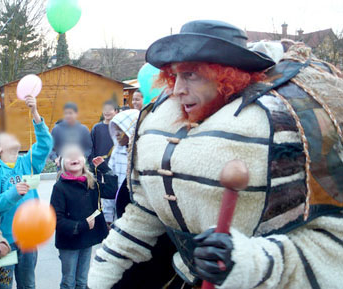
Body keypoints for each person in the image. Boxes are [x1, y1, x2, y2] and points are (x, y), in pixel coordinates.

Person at [88, 20, 343, 289]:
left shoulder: (281, 124)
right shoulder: (160, 123)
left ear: (226, 76)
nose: (177, 90)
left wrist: (247, 262)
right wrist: (104, 274)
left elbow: (330, 241)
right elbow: (145, 214)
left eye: (191, 75)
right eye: (176, 76)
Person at [0, 95, 53, 289]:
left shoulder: (27, 163)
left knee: (27, 284)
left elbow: (44, 144)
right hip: (5, 242)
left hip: (28, 240)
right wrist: (13, 193)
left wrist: (35, 113)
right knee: (3, 286)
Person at [50, 145, 117, 289]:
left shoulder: (90, 182)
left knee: (82, 280)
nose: (74, 158)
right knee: (69, 281)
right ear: (62, 162)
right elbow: (56, 219)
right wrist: (81, 225)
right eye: (69, 156)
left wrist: (104, 169)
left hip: (86, 240)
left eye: (78, 155)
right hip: (69, 242)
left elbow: (111, 191)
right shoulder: (60, 188)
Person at [106, 109, 139, 221]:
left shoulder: (143, 153)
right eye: (115, 129)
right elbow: (109, 184)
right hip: (120, 209)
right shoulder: (117, 152)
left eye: (121, 129)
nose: (116, 134)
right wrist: (108, 215)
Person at [49, 102, 92, 166]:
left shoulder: (83, 129)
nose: (68, 116)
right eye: (66, 113)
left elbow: (88, 148)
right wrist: (55, 158)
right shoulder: (56, 130)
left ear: (76, 114)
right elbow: (50, 148)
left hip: (79, 166)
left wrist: (82, 157)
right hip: (62, 166)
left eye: (70, 113)